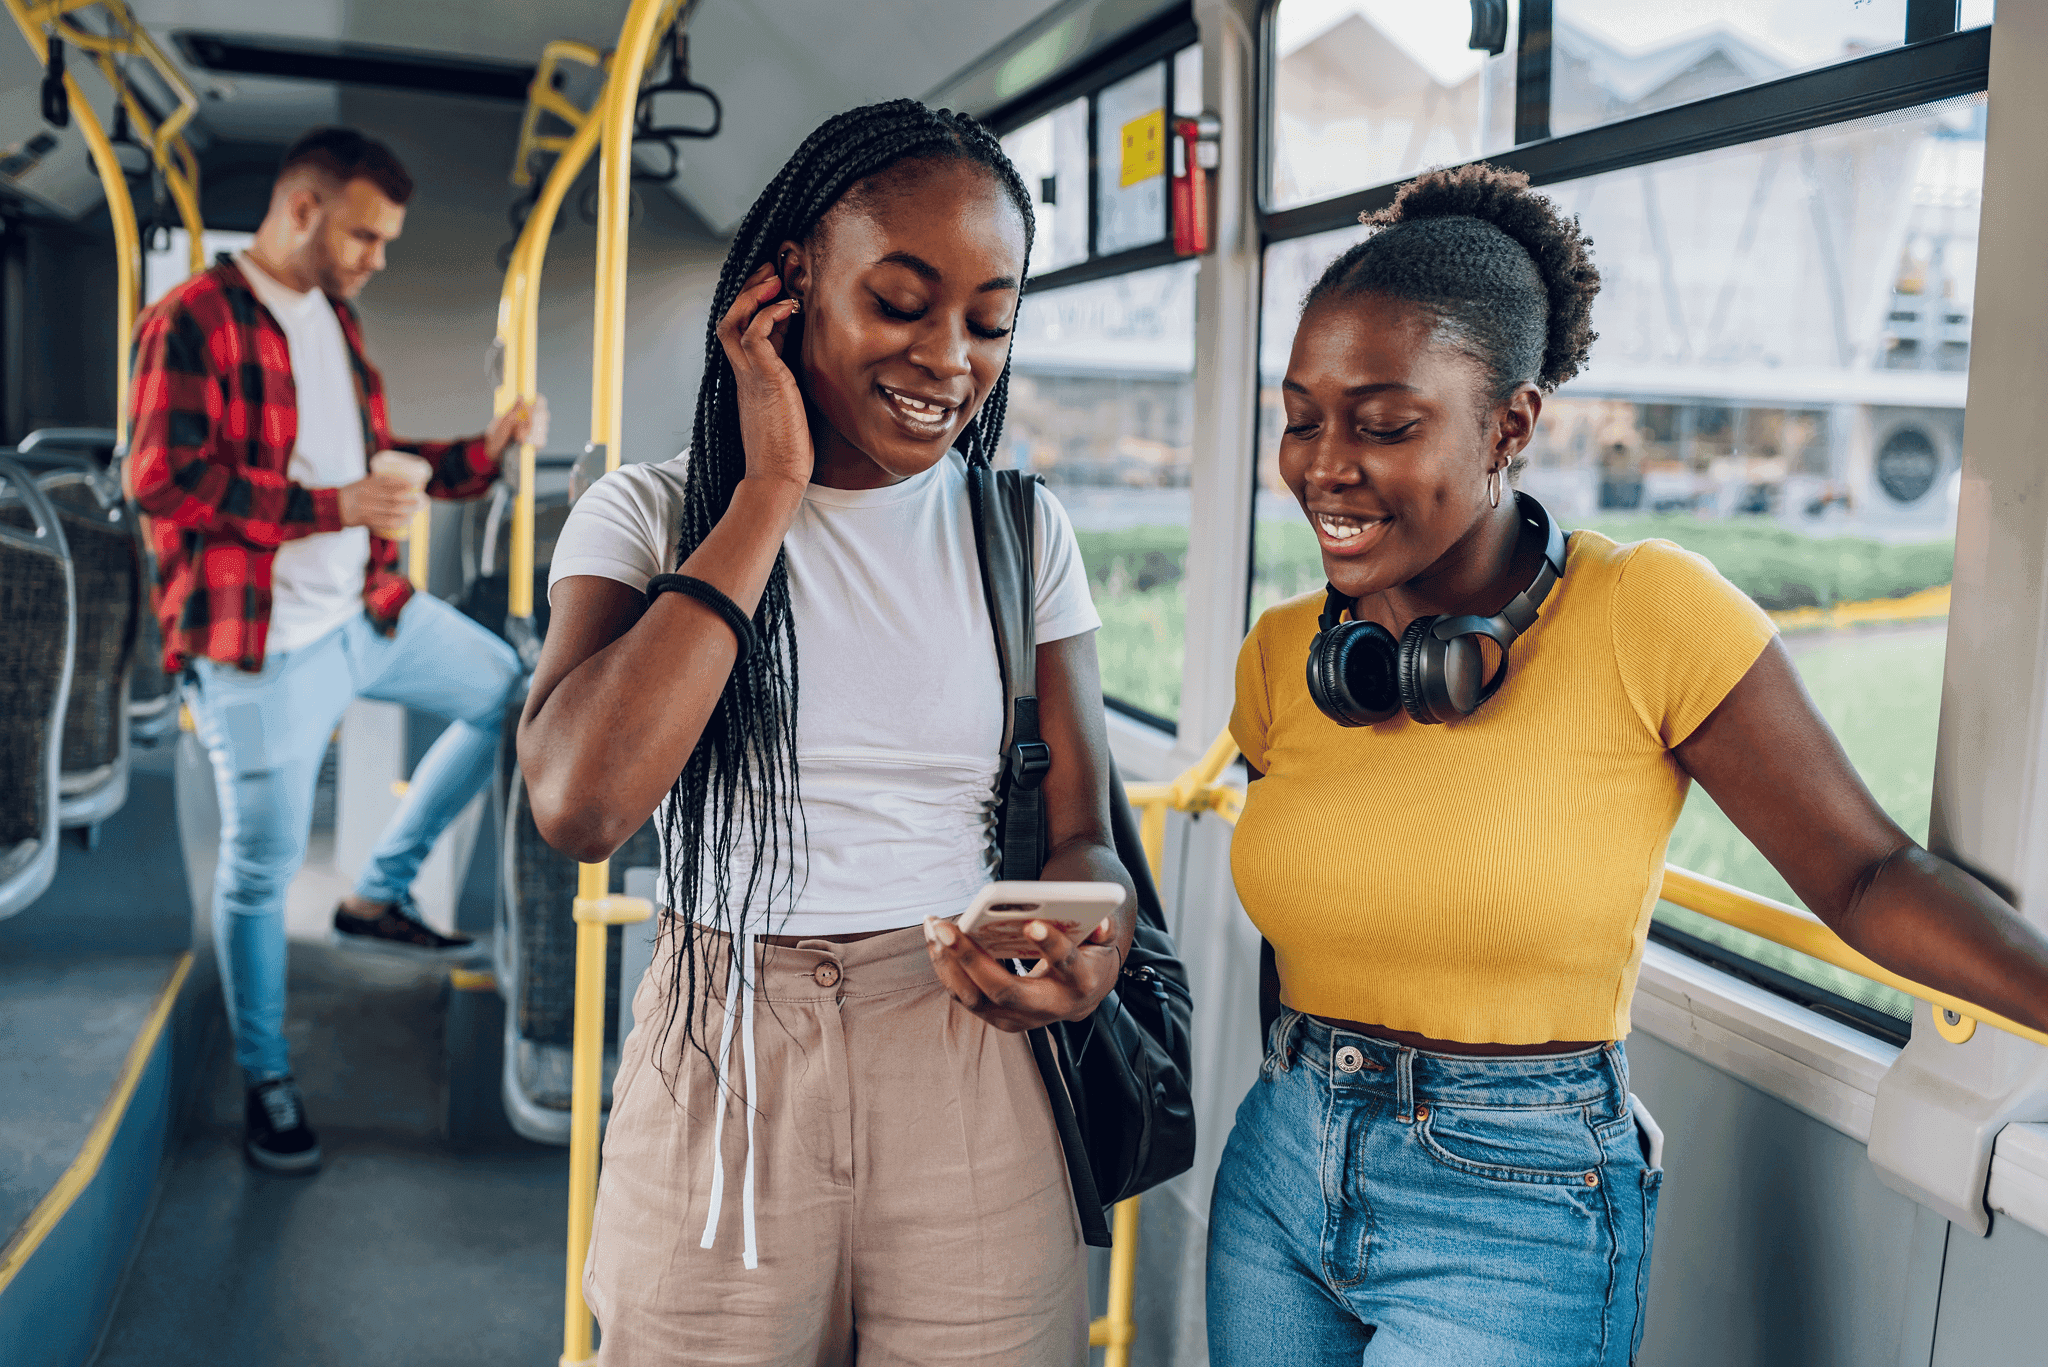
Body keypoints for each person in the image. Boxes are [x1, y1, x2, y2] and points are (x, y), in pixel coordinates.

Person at [1207, 164, 2048, 1365]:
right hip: (1281, 1160)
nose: (1319, 466)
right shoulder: (1284, 654)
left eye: (1384, 425)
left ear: (1509, 426)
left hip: (1514, 1205)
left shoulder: (1645, 611)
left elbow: (1866, 875)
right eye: (1299, 417)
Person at [518, 100, 1131, 1365]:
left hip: (965, 1042)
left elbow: (1085, 842)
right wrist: (767, 494)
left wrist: (1081, 933)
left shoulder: (1021, 535)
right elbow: (579, 804)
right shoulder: (650, 515)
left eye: (987, 319)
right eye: (900, 302)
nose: (948, 358)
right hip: (726, 1038)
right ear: (789, 285)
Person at [128, 128, 542, 1175]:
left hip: (368, 610)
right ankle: (268, 1077)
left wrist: (479, 456)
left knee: (509, 688)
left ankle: (378, 890)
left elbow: (369, 471)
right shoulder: (193, 319)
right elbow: (162, 481)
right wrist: (329, 506)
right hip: (257, 645)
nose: (376, 257)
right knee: (260, 866)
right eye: (365, 234)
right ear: (301, 209)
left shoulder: (335, 321)